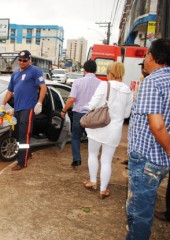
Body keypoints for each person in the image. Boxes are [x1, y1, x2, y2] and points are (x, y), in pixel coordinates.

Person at [126, 38, 170, 240]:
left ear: (151, 56)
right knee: (141, 206)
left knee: (139, 213)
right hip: (160, 160)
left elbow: (157, 125)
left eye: (145, 55)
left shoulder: (152, 81)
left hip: (147, 160)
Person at [82, 62, 133, 199]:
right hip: (114, 131)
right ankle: (103, 190)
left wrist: (87, 108)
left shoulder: (104, 85)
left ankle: (93, 182)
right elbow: (127, 114)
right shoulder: (128, 90)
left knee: (93, 154)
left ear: (109, 73)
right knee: (106, 160)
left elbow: (92, 104)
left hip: (97, 127)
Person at [0, 50, 47, 171]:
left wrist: (39, 102)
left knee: (23, 135)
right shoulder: (15, 74)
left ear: (29, 60)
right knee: (17, 134)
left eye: (25, 60)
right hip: (18, 109)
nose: (22, 62)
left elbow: (43, 87)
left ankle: (22, 162)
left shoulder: (35, 71)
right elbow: (10, 91)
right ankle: (28, 153)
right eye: (20, 60)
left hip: (28, 108)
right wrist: (3, 104)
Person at [60, 60, 101, 167]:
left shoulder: (78, 82)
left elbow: (71, 99)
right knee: (93, 138)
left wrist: (64, 110)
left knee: (75, 137)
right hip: (93, 115)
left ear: (84, 70)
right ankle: (94, 159)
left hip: (79, 114)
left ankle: (77, 159)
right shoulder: (101, 83)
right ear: (95, 70)